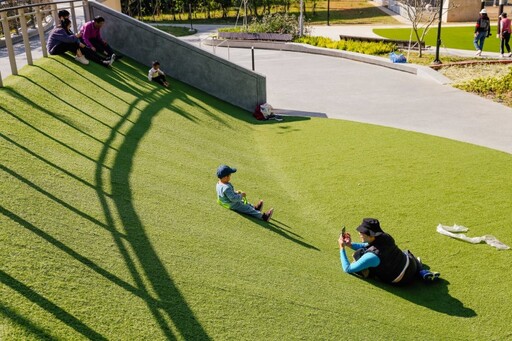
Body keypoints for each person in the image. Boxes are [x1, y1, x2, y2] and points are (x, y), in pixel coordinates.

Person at [338, 218, 440, 285]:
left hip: (400, 280)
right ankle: (422, 271)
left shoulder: (371, 256)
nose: (359, 233)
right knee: (406, 253)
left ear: (371, 235)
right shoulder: (386, 237)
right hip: (411, 265)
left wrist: (342, 247)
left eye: (362, 232)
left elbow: (347, 268)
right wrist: (350, 244)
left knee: (359, 255)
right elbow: (367, 245)